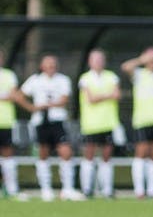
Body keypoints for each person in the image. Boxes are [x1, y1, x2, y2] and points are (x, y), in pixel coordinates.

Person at [19, 55, 83, 201]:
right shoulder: (35, 80)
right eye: (48, 64)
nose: (51, 66)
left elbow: (65, 99)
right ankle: (46, 189)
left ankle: (67, 188)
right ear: (42, 66)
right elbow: (19, 96)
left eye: (53, 64)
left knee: (65, 151)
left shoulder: (63, 80)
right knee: (43, 152)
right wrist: (32, 107)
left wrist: (49, 105)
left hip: (57, 120)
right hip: (40, 121)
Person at [121, 47, 153, 199]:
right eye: (151, 58)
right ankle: (139, 190)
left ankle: (152, 189)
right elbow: (126, 67)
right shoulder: (139, 74)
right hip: (142, 120)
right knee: (141, 154)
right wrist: (141, 59)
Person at [78, 49, 121, 199]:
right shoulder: (85, 78)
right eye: (95, 60)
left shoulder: (111, 76)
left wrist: (100, 96)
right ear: (90, 62)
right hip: (90, 124)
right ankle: (87, 189)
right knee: (89, 156)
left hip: (108, 123)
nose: (98, 62)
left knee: (106, 157)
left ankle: (107, 189)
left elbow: (117, 95)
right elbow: (91, 99)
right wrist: (107, 95)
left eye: (100, 59)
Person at [0, 49, 34, 199]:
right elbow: (10, 95)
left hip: (5, 121)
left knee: (8, 156)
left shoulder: (8, 75)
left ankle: (11, 188)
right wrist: (5, 95)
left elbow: (14, 95)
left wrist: (9, 96)